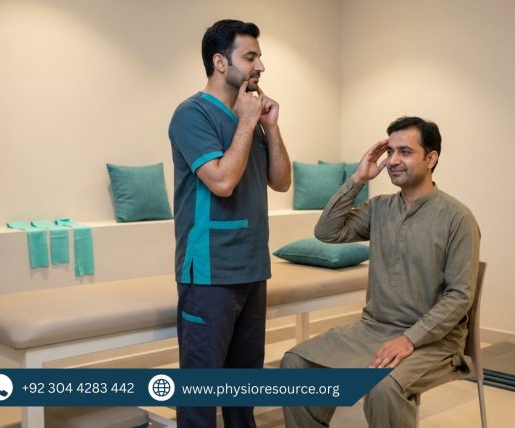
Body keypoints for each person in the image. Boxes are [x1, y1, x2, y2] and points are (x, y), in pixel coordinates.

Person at [280, 116, 480, 427]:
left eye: (405, 152)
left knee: (383, 386)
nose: (393, 161)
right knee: (295, 365)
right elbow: (327, 233)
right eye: (390, 152)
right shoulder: (379, 208)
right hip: (373, 329)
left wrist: (410, 339)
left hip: (434, 342)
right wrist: (358, 179)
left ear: (431, 158)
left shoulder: (457, 218)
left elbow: (459, 296)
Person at [168, 19, 291, 428]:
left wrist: (269, 127)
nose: (260, 66)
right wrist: (245, 123)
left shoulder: (250, 115)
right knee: (201, 394)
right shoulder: (191, 115)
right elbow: (221, 181)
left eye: (259, 56)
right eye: (250, 56)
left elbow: (281, 180)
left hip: (252, 266)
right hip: (210, 271)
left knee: (244, 388)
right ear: (221, 62)